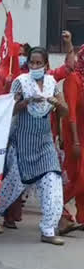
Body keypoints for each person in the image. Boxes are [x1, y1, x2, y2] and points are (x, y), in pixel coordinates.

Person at [0, 47, 67, 245]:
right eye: (32, 63)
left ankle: (49, 229)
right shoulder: (21, 82)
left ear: (46, 65)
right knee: (14, 184)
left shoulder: (52, 83)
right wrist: (27, 102)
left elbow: (64, 111)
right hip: (23, 142)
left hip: (44, 143)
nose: (35, 66)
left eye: (38, 63)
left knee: (53, 181)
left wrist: (57, 104)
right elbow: (9, 110)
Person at [60, 45, 84, 231]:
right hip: (75, 136)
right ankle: (56, 207)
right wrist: (75, 141)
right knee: (78, 177)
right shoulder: (73, 80)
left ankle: (82, 217)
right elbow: (71, 114)